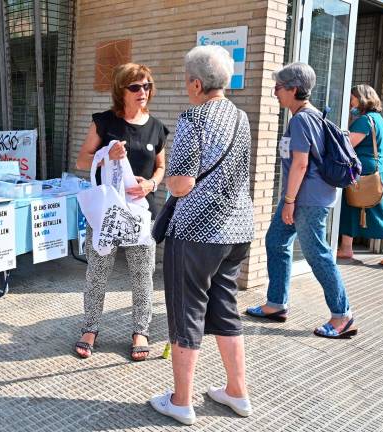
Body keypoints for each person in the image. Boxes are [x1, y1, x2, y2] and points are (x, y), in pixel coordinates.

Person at [149, 45, 254, 425]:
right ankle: (237, 392)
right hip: (237, 230)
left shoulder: (193, 119)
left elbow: (179, 184)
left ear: (196, 83)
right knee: (225, 310)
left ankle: (181, 401)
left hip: (196, 233)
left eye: (185, 79)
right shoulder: (242, 118)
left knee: (187, 313)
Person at [246, 62, 357, 339]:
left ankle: (343, 315)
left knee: (317, 254)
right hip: (307, 197)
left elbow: (300, 164)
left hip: (307, 200)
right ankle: (276, 303)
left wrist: (289, 201)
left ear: (294, 89)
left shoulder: (301, 119)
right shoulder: (310, 116)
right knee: (276, 240)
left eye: (279, 88)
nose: (275, 93)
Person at [74, 63, 169, 361]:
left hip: (141, 214)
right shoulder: (105, 122)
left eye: (147, 86)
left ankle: (141, 330)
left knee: (143, 275)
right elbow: (81, 160)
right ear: (121, 91)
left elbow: (161, 167)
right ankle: (90, 328)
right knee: (98, 272)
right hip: (106, 214)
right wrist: (104, 155)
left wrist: (151, 184)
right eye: (136, 87)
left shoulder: (157, 127)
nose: (143, 92)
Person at [337, 85, 383, 266]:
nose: (351, 103)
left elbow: (348, 145)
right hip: (375, 170)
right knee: (354, 206)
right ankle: (346, 247)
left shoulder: (364, 120)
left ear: (362, 98)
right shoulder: (378, 119)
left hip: (364, 172)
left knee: (371, 209)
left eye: (353, 98)